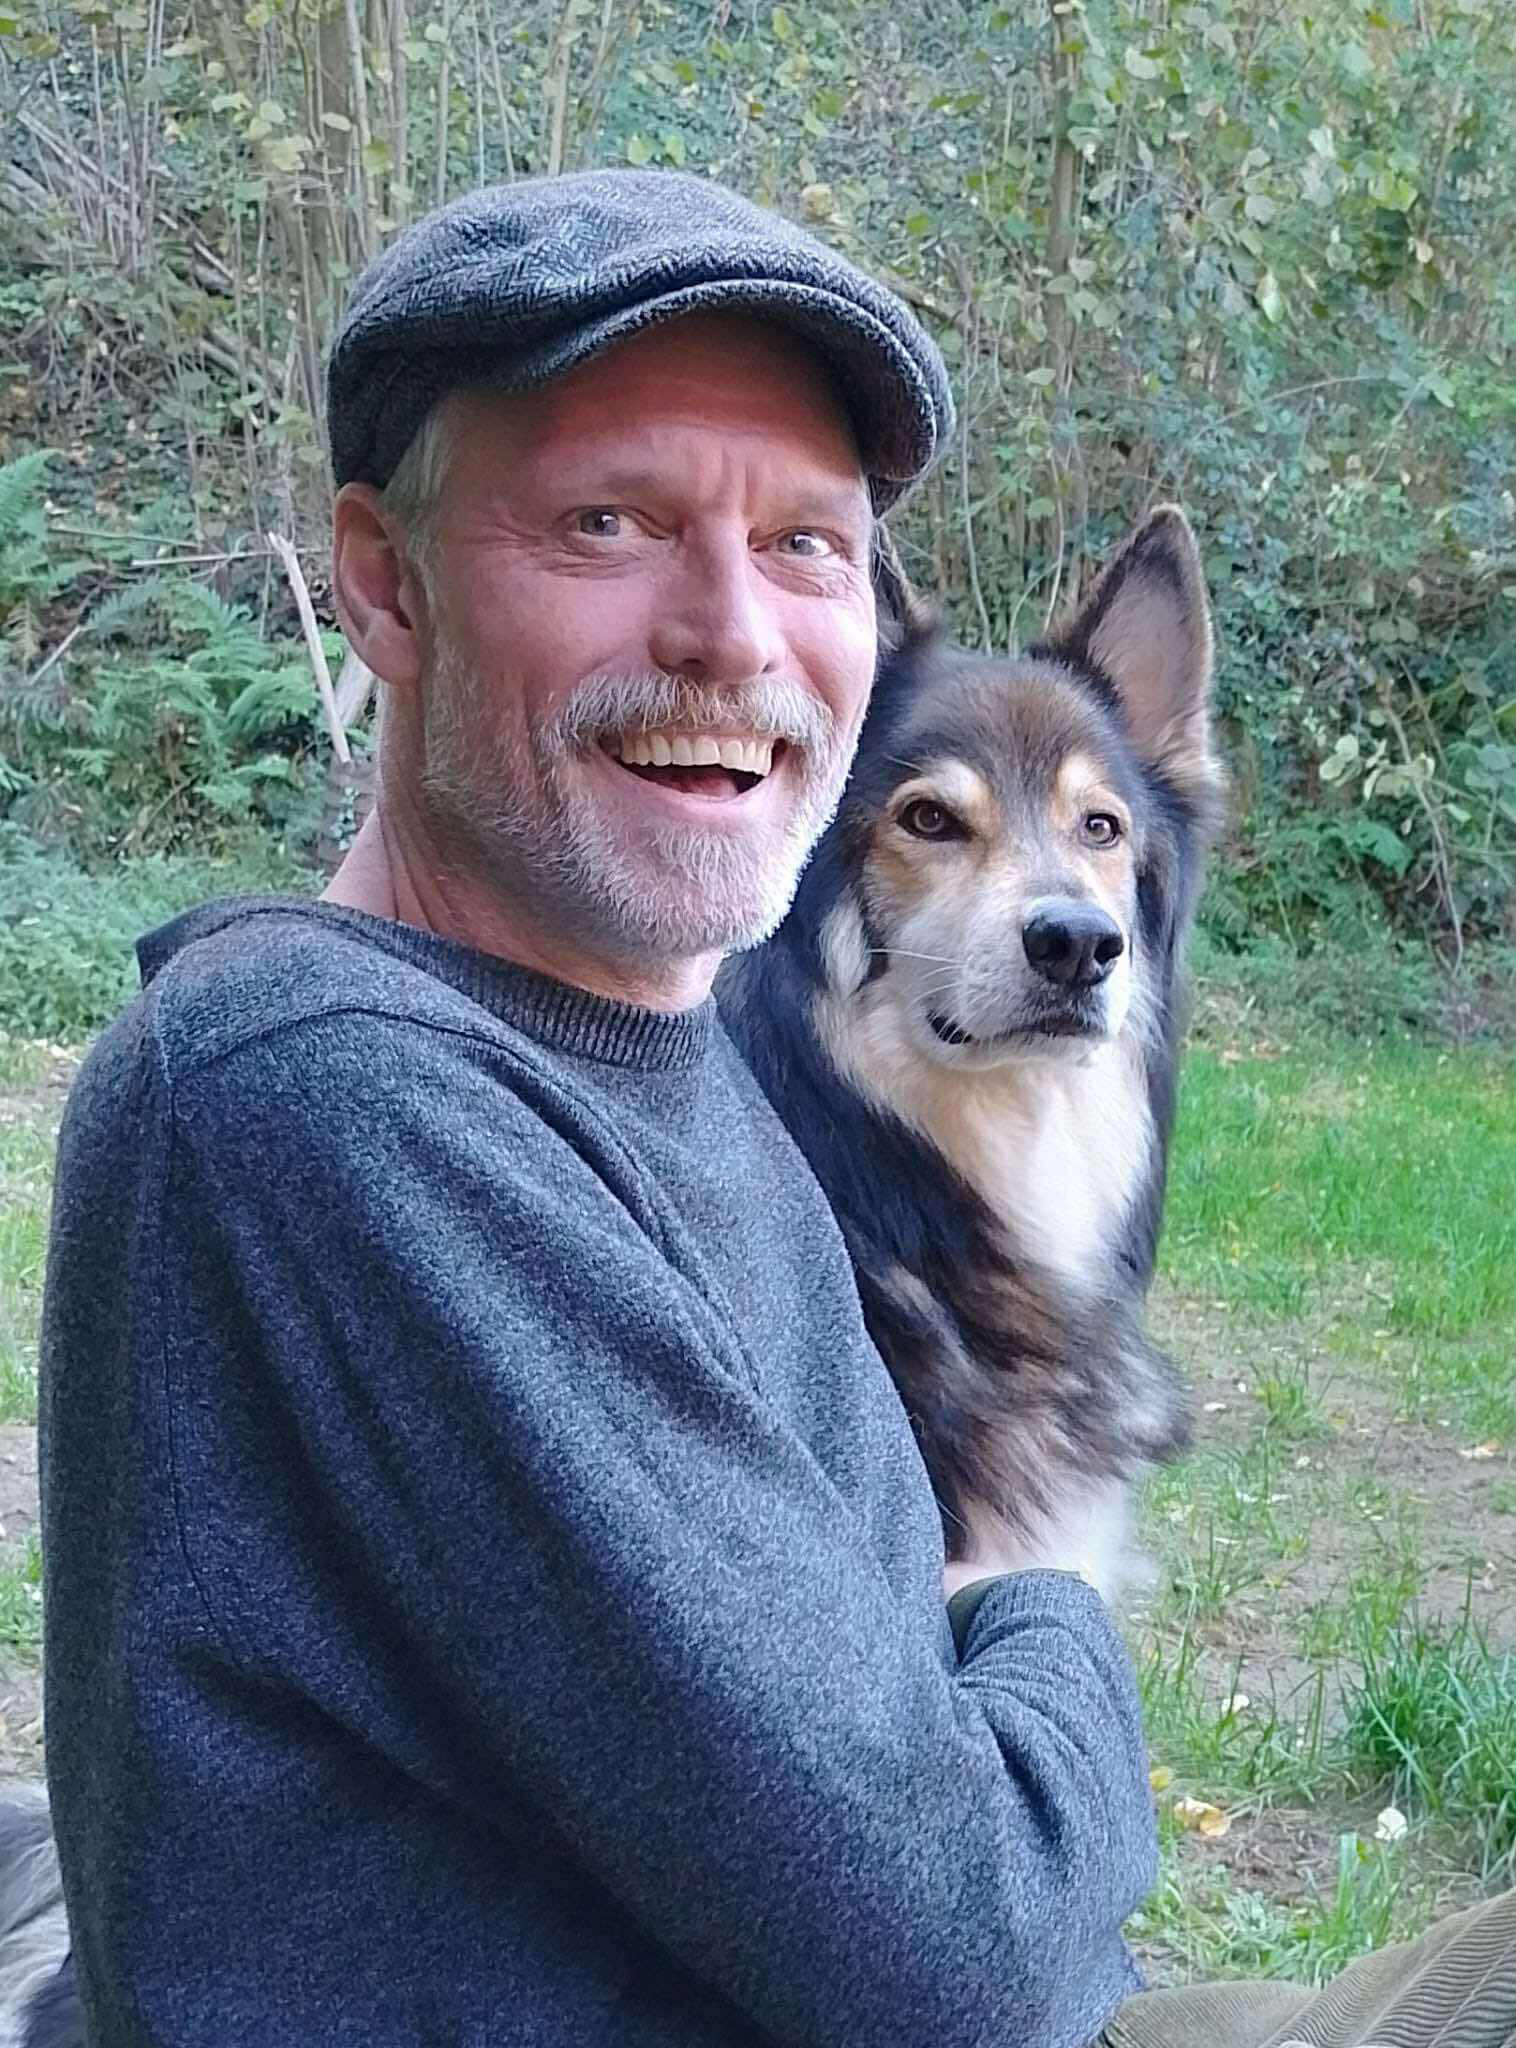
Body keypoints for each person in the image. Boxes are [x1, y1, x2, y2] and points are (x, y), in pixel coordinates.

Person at [34, 169, 1516, 2048]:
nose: (733, 633)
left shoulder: (654, 1059)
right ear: (388, 583)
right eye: (608, 522)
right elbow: (958, 1956)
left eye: (808, 542)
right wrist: (1042, 1609)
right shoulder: (328, 1091)